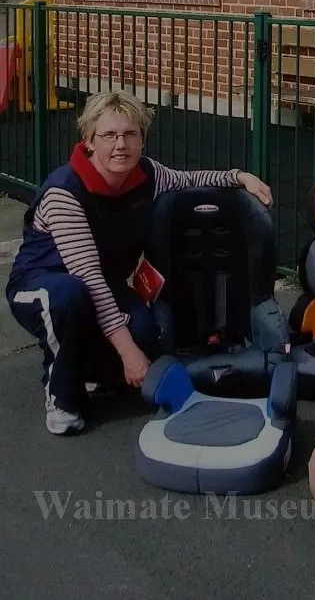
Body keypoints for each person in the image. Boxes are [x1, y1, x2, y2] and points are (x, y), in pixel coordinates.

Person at [5, 90, 273, 436]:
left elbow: (190, 180)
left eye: (131, 134)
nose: (121, 145)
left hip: (101, 286)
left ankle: (92, 369)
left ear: (142, 140)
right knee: (71, 299)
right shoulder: (65, 192)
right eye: (109, 135)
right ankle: (61, 393)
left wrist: (239, 176)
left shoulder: (146, 175)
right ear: (89, 141)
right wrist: (129, 354)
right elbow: (88, 279)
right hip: (43, 287)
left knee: (146, 330)